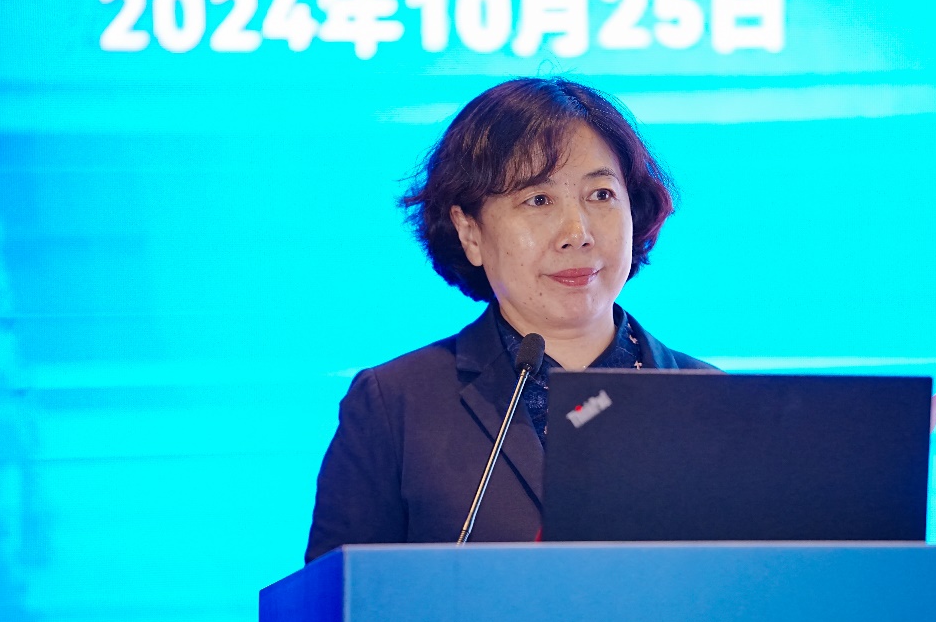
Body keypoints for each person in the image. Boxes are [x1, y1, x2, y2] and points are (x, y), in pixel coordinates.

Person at [305, 77, 714, 562]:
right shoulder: (396, 407)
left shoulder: (713, 401)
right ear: (469, 231)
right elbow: (336, 603)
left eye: (601, 194)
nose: (577, 233)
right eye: (538, 200)